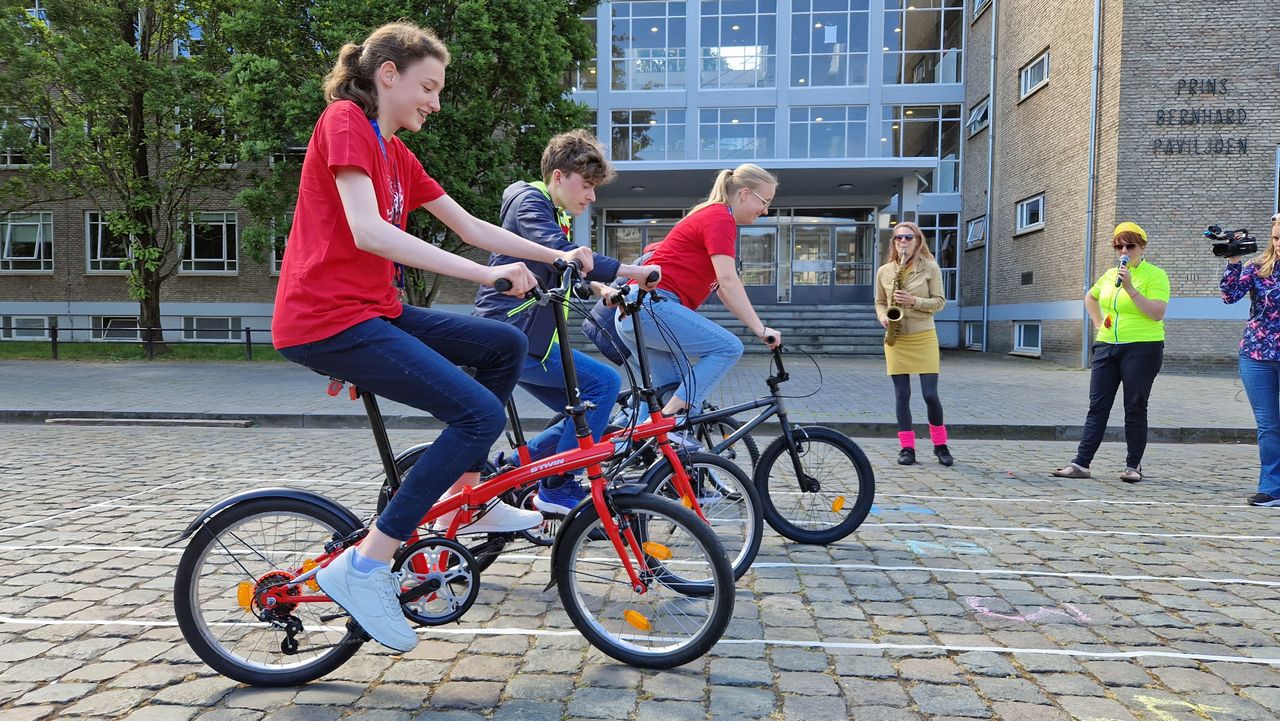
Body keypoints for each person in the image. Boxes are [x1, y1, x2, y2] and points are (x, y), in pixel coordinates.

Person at [271, 22, 594, 654]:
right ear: (386, 74)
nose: (436, 102)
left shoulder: (396, 153)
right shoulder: (345, 122)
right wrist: (486, 276)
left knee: (502, 346)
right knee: (475, 413)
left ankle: (470, 497)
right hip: (326, 317)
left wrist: (557, 259)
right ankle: (363, 568)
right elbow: (368, 231)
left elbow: (470, 226)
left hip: (372, 311)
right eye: (428, 86)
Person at [474, 130, 660, 515]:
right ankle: (557, 487)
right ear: (558, 176)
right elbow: (559, 253)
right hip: (513, 334)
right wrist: (632, 271)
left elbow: (562, 268)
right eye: (587, 185)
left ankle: (510, 471)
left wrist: (599, 288)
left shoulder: (549, 209)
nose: (592, 196)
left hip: (532, 337)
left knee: (588, 410)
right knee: (604, 384)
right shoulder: (529, 203)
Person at [613, 164, 782, 425]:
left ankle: (626, 447)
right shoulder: (720, 218)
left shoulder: (711, 215)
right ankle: (666, 428)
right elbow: (728, 280)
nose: (766, 210)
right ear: (745, 193)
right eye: (765, 201)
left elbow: (722, 288)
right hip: (652, 307)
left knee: (669, 391)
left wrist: (757, 328)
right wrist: (760, 330)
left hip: (635, 310)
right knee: (728, 348)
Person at [1053, 222, 1169, 483]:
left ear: (1142, 247)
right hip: (1107, 346)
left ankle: (1133, 466)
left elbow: (1157, 313)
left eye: (1129, 245)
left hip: (1142, 347)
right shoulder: (1109, 274)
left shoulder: (1155, 275)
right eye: (1119, 246)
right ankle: (1081, 463)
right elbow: (1090, 298)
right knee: (1097, 406)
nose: (1123, 250)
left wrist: (1130, 288)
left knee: (1135, 406)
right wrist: (1098, 324)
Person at [874, 221, 951, 466]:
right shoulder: (885, 271)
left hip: (923, 335)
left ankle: (940, 445)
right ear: (893, 243)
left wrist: (913, 300)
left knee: (930, 394)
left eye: (908, 237)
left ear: (918, 241)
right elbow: (879, 301)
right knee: (902, 394)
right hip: (897, 339)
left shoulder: (930, 267)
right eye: (898, 238)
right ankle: (907, 448)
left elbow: (939, 302)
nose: (903, 242)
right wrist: (883, 316)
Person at [1220, 213, 1280, 507]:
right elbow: (1230, 295)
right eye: (1277, 238)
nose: (1279, 244)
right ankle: (1271, 488)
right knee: (1269, 425)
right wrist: (1233, 260)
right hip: (1257, 354)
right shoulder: (1259, 267)